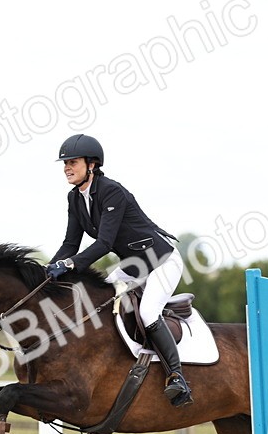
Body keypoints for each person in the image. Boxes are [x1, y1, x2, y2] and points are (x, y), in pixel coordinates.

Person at [46, 133, 193, 407]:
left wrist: (69, 265)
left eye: (73, 162)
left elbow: (104, 243)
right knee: (101, 300)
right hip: (134, 265)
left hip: (162, 261)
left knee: (149, 312)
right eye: (64, 162)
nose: (67, 167)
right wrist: (47, 269)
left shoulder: (111, 191)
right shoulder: (75, 198)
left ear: (92, 164)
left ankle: (177, 376)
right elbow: (70, 243)